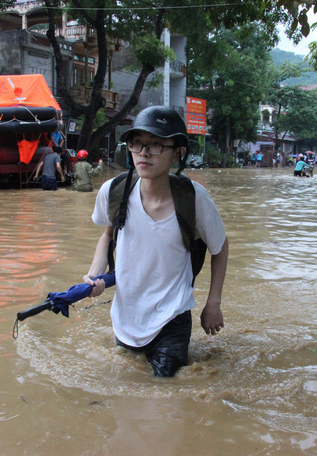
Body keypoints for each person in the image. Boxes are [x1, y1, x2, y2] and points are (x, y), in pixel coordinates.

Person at [83, 106, 228, 378]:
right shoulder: (114, 191)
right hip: (126, 317)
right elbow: (107, 237)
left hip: (172, 317)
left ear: (178, 152)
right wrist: (94, 275)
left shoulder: (195, 198)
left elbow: (220, 248)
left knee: (166, 391)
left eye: (157, 145)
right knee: (127, 390)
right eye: (137, 143)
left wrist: (213, 304)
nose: (144, 153)